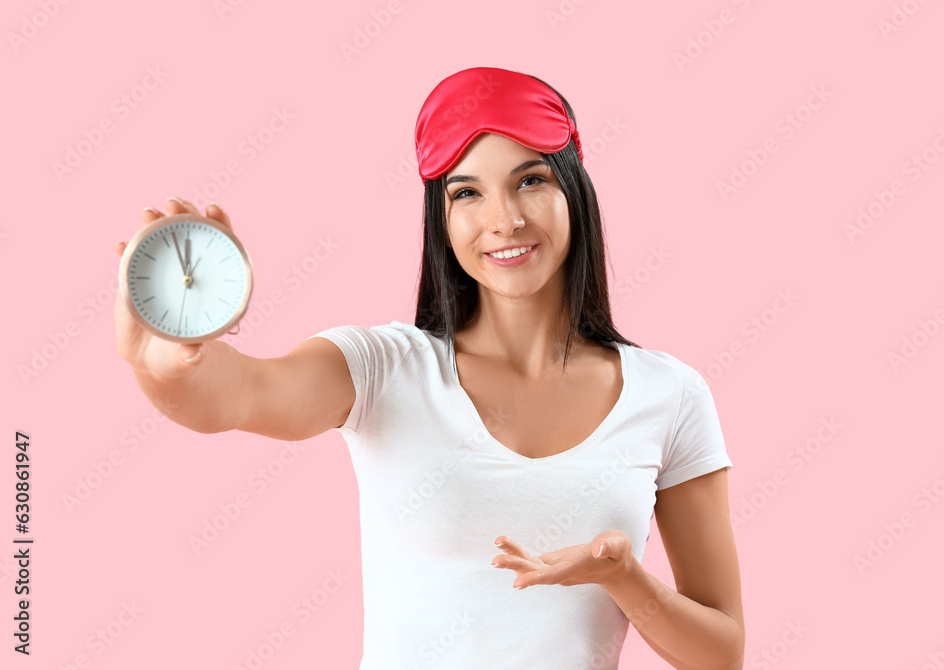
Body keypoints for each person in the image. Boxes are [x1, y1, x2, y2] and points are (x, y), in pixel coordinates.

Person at [114, 66, 744, 670]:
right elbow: (235, 394)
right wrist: (169, 360)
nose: (505, 220)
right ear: (440, 218)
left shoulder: (670, 394)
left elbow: (722, 654)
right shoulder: (382, 369)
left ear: (573, 187)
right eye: (466, 192)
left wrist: (626, 579)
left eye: (531, 180)